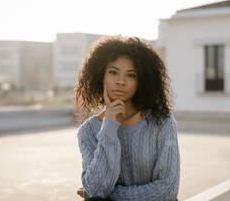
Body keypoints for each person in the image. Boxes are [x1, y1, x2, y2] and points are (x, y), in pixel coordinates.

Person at [74, 36, 180, 200]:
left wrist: (110, 197)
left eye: (131, 75)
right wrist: (109, 126)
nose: (121, 81)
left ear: (142, 80)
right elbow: (96, 189)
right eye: (113, 72)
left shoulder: (162, 122)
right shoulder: (87, 132)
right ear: (101, 75)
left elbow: (168, 189)